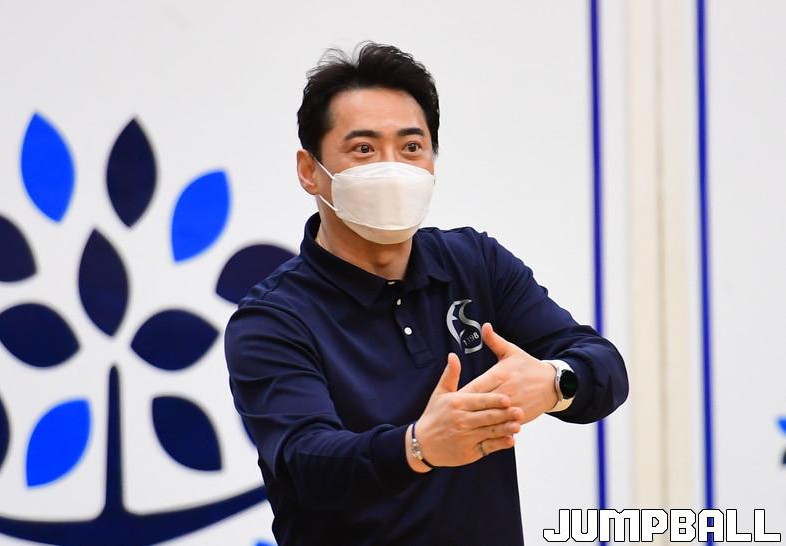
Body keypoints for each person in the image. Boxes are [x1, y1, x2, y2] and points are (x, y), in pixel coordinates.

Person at [225, 42, 628, 546]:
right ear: (310, 171)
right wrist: (417, 446)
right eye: (364, 149)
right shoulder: (272, 319)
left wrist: (555, 382)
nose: (392, 167)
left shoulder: (475, 263)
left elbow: (604, 364)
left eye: (412, 147)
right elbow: (307, 462)